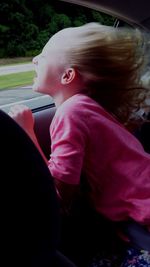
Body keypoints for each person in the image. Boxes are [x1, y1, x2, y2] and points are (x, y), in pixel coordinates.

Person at [9, 23, 150, 266]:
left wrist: (26, 132)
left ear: (67, 75)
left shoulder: (71, 113)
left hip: (143, 222)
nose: (34, 59)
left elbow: (58, 195)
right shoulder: (85, 108)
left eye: (42, 56)